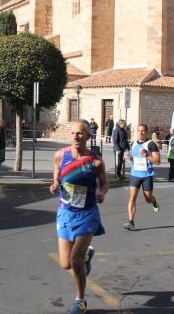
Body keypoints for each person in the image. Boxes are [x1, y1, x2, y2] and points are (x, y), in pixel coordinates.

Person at [50, 120, 109, 314]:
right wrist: (55, 185)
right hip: (65, 213)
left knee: (75, 261)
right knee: (65, 263)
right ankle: (85, 261)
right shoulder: (61, 155)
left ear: (88, 136)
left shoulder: (96, 162)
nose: (76, 136)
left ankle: (80, 301)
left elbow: (104, 183)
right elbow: (57, 175)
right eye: (73, 133)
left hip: (87, 214)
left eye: (80, 133)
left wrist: (102, 193)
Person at [123, 124, 160, 231]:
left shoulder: (151, 144)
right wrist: (127, 156)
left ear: (146, 132)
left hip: (147, 175)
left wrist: (146, 155)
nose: (140, 133)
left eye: (143, 131)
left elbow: (157, 161)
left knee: (148, 198)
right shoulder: (133, 144)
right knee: (132, 198)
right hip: (135, 175)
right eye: (138, 130)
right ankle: (131, 221)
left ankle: (154, 201)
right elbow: (131, 157)